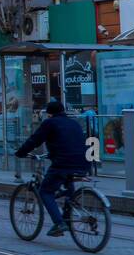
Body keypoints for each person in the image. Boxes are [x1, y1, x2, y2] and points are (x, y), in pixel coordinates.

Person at [14, 100, 92, 236]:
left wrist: (21, 152)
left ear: (49, 114)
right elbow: (69, 143)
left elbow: (35, 140)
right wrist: (52, 154)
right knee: (68, 186)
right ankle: (67, 214)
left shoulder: (49, 123)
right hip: (84, 162)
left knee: (45, 192)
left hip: (63, 163)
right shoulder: (74, 123)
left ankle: (59, 223)